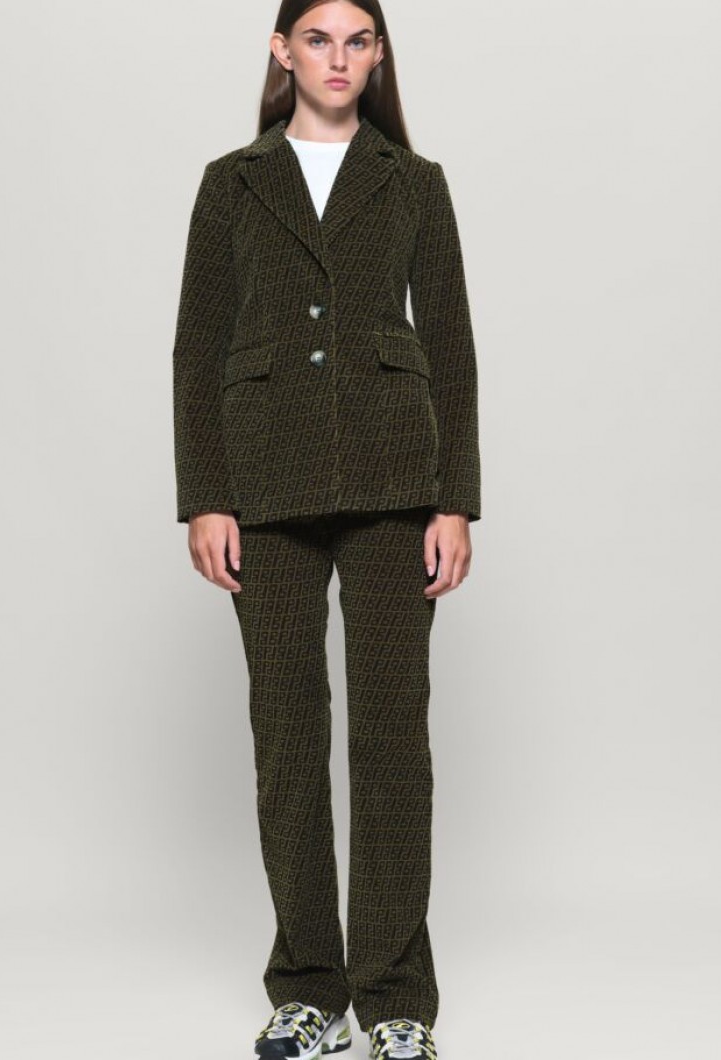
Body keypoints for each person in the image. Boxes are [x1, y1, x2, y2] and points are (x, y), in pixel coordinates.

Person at [171, 1, 481, 1058]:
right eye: (317, 39)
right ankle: (307, 985)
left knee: (393, 739)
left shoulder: (414, 181)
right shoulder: (232, 182)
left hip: (396, 477)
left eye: (357, 41)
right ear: (283, 50)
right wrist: (206, 495)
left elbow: (450, 339)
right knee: (288, 736)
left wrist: (454, 499)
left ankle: (394, 1000)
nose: (337, 58)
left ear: (377, 54)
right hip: (263, 480)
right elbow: (197, 343)